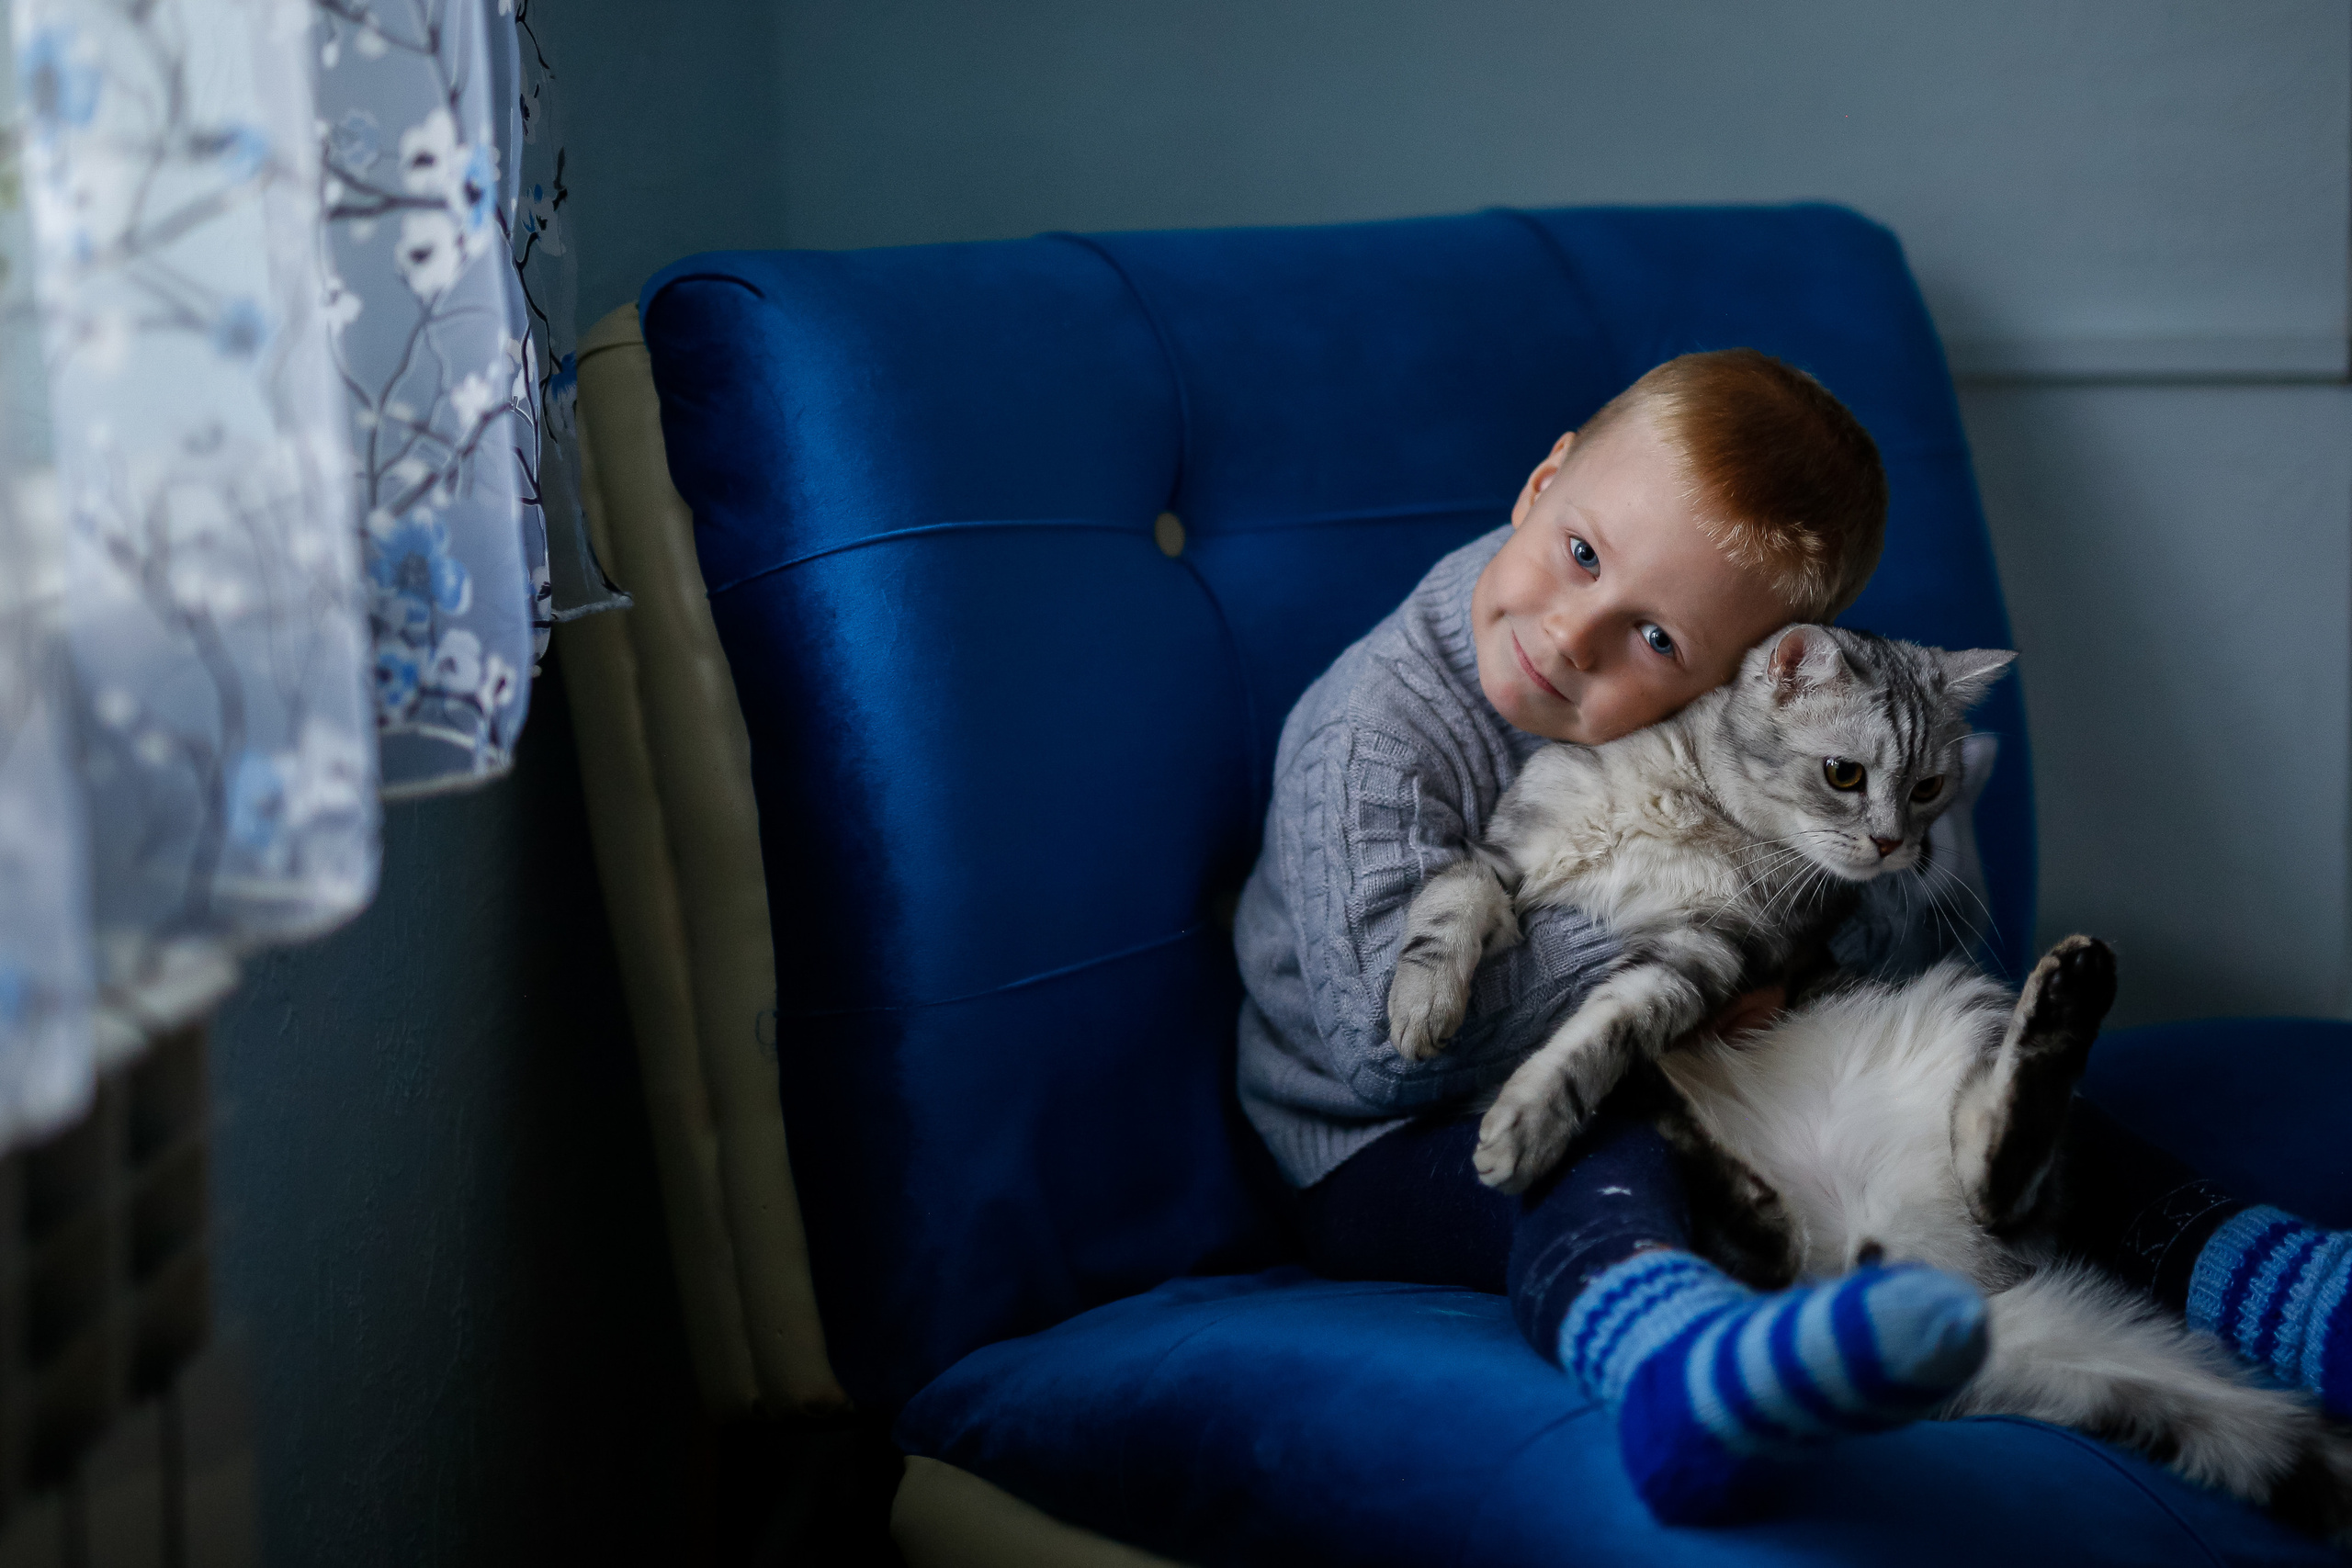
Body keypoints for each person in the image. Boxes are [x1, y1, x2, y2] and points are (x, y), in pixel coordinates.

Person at [1231, 347, 2352, 1524]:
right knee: (1601, 1152)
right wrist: (1710, 954)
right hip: (1378, 1136)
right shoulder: (1376, 731)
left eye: (1658, 641)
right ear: (1542, 482)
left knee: (1997, 1085)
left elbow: (1879, 952)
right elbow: (1386, 1043)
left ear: (1748, 677)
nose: (1573, 638)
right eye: (1579, 553)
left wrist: (1845, 861)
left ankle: (2289, 1288)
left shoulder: (1758, 728)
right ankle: (1678, 1365)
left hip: (1684, 1055)